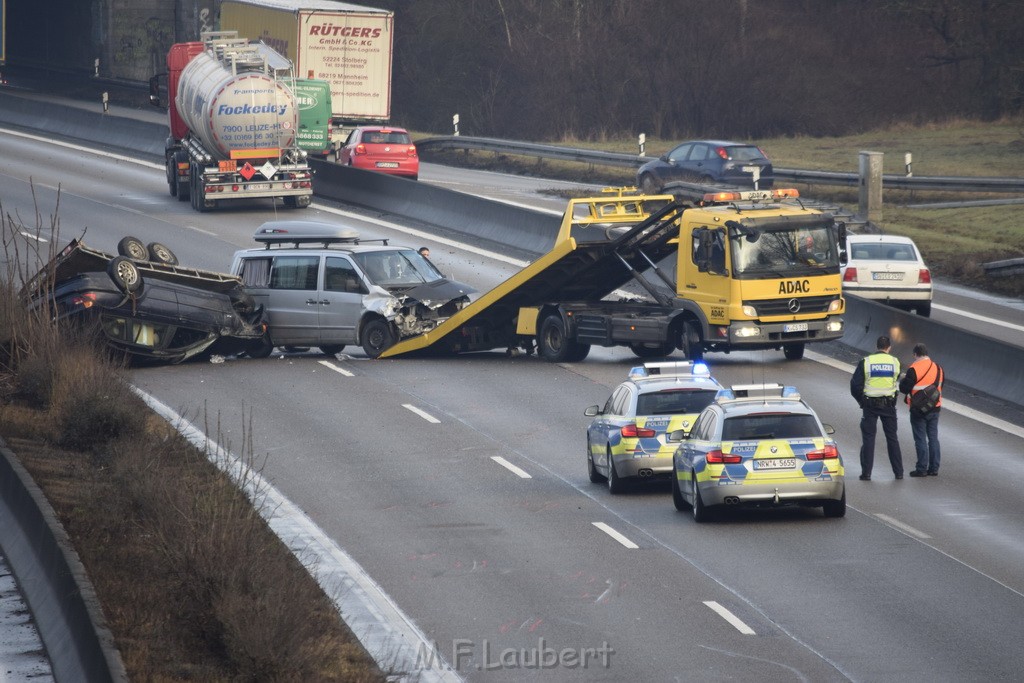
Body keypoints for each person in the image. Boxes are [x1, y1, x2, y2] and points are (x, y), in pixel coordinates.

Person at [850, 335, 904, 481]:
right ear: (889, 347)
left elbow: (855, 385)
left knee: (868, 439)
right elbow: (895, 380)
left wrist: (862, 401)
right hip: (889, 405)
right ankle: (899, 473)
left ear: (877, 346)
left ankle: (866, 473)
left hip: (870, 405)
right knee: (892, 439)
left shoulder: (866, 361)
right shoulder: (895, 362)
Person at [899, 343, 944, 477]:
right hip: (934, 408)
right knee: (933, 438)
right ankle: (934, 468)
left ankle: (921, 468)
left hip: (918, 410)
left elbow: (904, 389)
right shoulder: (939, 368)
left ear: (915, 354)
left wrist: (902, 380)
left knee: (920, 439)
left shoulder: (913, 369)